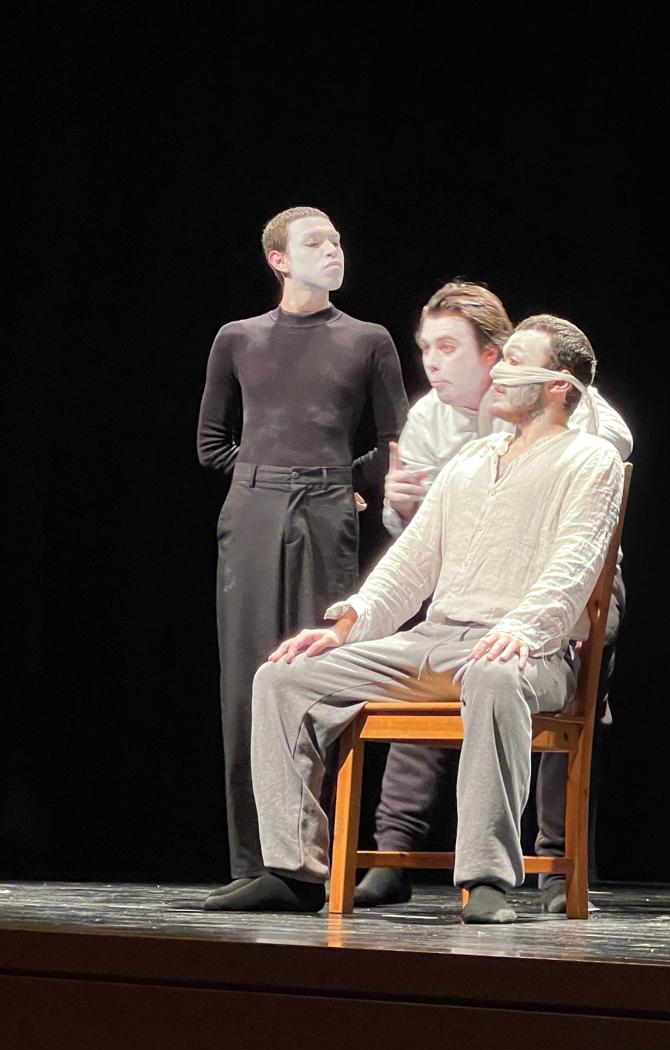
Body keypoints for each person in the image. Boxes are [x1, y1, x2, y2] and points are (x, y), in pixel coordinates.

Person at [205, 319, 624, 924]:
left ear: (558, 384)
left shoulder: (589, 459)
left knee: (494, 676)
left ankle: (485, 878)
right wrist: (347, 625)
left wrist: (523, 629)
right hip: (434, 640)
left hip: (527, 652)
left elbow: (576, 563)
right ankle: (294, 872)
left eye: (515, 361)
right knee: (285, 677)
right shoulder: (473, 459)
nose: (499, 372)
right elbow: (411, 559)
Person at [357, 286, 633, 913]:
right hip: (473, 586)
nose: (432, 362)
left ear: (492, 356)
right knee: (428, 664)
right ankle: (394, 853)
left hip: (568, 577)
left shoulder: (564, 397)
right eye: (426, 348)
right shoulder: (431, 418)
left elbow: (599, 469)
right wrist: (399, 504)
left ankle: (556, 861)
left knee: (562, 678)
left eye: (447, 348)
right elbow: (418, 538)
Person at [196, 206, 406, 902]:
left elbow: (396, 441)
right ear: (279, 260)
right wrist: (268, 479)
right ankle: (253, 863)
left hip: (325, 507)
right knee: (247, 678)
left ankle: (320, 861)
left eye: (338, 240)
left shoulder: (368, 339)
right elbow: (210, 444)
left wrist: (339, 482)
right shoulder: (238, 337)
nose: (333, 250)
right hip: (254, 509)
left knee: (321, 674)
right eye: (316, 242)